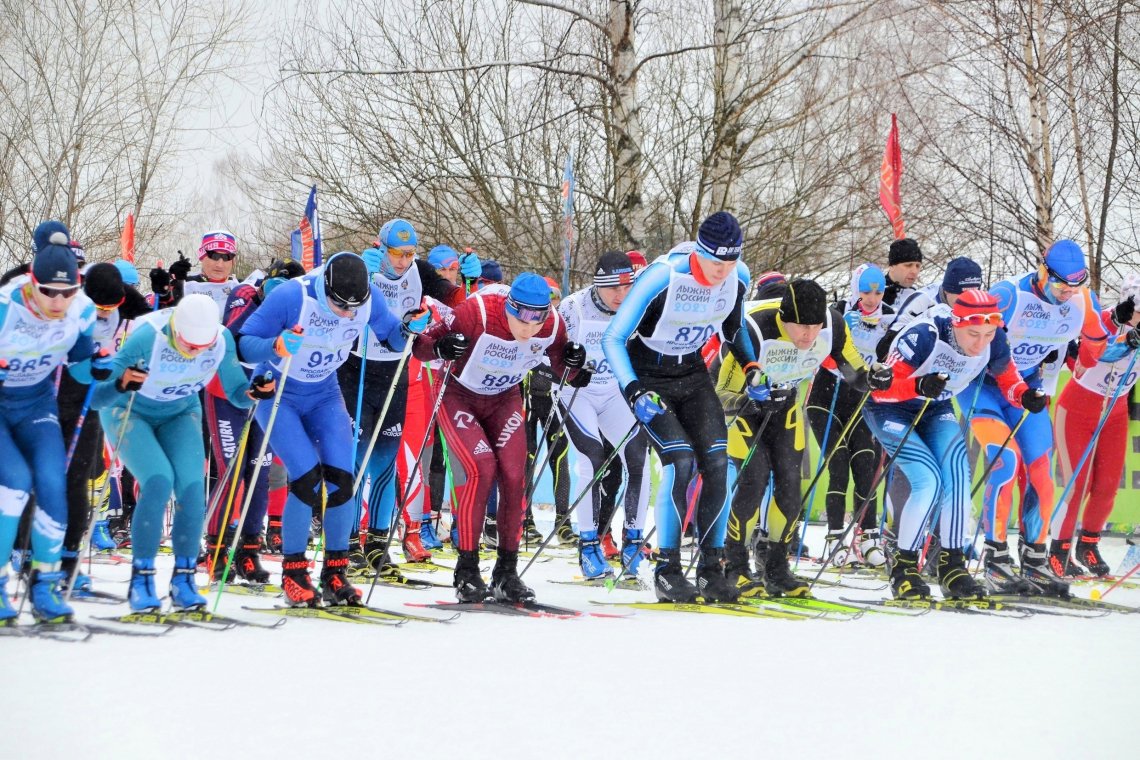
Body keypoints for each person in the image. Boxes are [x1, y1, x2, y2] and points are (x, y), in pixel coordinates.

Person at [238, 252, 421, 607]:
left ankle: (335, 573)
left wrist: (408, 327)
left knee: (341, 480)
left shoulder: (368, 300)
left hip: (324, 393)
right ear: (325, 288)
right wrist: (274, 346)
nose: (349, 314)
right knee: (306, 478)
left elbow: (392, 341)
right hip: (279, 393)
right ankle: (294, 573)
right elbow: (244, 342)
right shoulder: (293, 296)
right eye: (340, 306)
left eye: (356, 308)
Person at [602, 211, 761, 603]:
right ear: (700, 253)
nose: (723, 271)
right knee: (680, 459)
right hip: (648, 374)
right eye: (716, 263)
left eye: (730, 262)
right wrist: (634, 390)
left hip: (691, 373)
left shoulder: (738, 276)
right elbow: (613, 337)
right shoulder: (664, 276)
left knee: (720, 463)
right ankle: (667, 570)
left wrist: (753, 368)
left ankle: (711, 568)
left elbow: (734, 328)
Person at [413, 273, 584, 602]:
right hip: (458, 394)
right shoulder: (476, 312)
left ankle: (506, 572)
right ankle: (467, 570)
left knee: (515, 474)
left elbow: (566, 368)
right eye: (523, 317)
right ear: (509, 306)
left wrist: (576, 364)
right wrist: (440, 346)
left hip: (503, 398)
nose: (530, 328)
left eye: (539, 319)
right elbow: (421, 347)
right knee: (482, 468)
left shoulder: (552, 326)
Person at [718, 278, 890, 597]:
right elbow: (721, 395)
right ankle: (735, 565)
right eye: (801, 327)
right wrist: (748, 401)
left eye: (815, 326)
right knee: (754, 479)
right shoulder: (755, 330)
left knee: (790, 483)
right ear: (784, 318)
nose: (809, 336)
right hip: (745, 411)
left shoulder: (833, 327)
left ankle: (776, 567)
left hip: (785, 410)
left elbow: (856, 372)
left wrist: (875, 378)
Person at [868, 289, 1043, 600]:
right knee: (928, 480)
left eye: (988, 334)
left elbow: (1009, 379)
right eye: (973, 334)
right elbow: (882, 390)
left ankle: (953, 566)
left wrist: (1024, 395)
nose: (980, 343)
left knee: (958, 477)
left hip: (935, 408)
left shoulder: (994, 341)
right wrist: (918, 384)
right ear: (956, 323)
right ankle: (904, 568)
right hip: (890, 409)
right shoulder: (925, 334)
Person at [93, 295, 261, 611]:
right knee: (158, 480)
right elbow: (98, 396)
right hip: (129, 410)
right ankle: (141, 579)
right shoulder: (148, 337)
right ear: (175, 330)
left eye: (202, 347)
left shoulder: (221, 339)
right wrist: (122, 381)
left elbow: (238, 393)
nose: (195, 353)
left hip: (180, 411)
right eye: (188, 346)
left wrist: (254, 392)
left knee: (193, 488)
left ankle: (183, 579)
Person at [970, 240, 1109, 595]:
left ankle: (1034, 558)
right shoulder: (1010, 294)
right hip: (984, 385)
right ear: (1043, 269)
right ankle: (996, 557)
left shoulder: (1081, 301)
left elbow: (1097, 352)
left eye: (1075, 285)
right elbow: (967, 330)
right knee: (1004, 463)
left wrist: (1112, 341)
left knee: (1041, 473)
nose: (1067, 292)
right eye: (1061, 283)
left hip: (1028, 390)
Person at [339, 220, 476, 575]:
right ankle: (348, 542)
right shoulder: (363, 268)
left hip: (394, 372)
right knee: (356, 460)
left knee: (385, 461)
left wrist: (469, 283)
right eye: (396, 254)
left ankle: (377, 545)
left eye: (409, 254)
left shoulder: (421, 272)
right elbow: (333, 303)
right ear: (380, 247)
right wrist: (360, 279)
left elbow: (459, 305)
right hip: (356, 370)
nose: (402, 262)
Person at [0, 226, 99, 624]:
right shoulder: (7, 306)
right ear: (32, 283)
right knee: (15, 481)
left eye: (67, 292)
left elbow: (80, 364)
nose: (58, 301)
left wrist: (100, 367)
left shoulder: (83, 310)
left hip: (36, 404)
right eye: (48, 292)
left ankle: (44, 583)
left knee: (53, 482)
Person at [203, 258, 305, 583]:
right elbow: (231, 335)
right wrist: (260, 300)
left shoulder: (297, 308)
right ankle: (217, 551)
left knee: (259, 474)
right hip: (228, 393)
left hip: (264, 394)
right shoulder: (244, 292)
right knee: (231, 472)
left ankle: (248, 550)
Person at [559, 252, 651, 580]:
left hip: (613, 393)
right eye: (612, 287)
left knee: (639, 458)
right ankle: (588, 546)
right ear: (596, 285)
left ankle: (633, 544)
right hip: (577, 394)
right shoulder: (573, 308)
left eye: (627, 286)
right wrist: (568, 369)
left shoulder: (635, 308)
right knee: (593, 458)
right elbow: (546, 354)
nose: (620, 295)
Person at [806, 264, 896, 569]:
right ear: (855, 288)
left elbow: (892, 358)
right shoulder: (837, 312)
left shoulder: (890, 318)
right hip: (826, 397)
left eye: (878, 291)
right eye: (866, 291)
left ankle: (868, 536)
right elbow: (818, 348)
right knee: (839, 464)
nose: (872, 298)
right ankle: (834, 535)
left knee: (866, 465)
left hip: (861, 399)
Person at [1050, 276, 1140, 576]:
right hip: (1077, 410)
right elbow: (1093, 355)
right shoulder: (1101, 321)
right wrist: (1125, 338)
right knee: (1078, 484)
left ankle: (1088, 544)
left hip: (1114, 413)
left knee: (1107, 487)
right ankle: (1059, 549)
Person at [182, 230, 241, 314]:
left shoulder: (241, 286)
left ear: (232, 261)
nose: (219, 265)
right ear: (202, 257)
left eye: (227, 257)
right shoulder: (185, 284)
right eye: (214, 256)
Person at [883, 237, 923, 307]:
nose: (914, 271)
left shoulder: (920, 297)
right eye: (908, 265)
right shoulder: (871, 292)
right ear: (892, 266)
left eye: (917, 266)